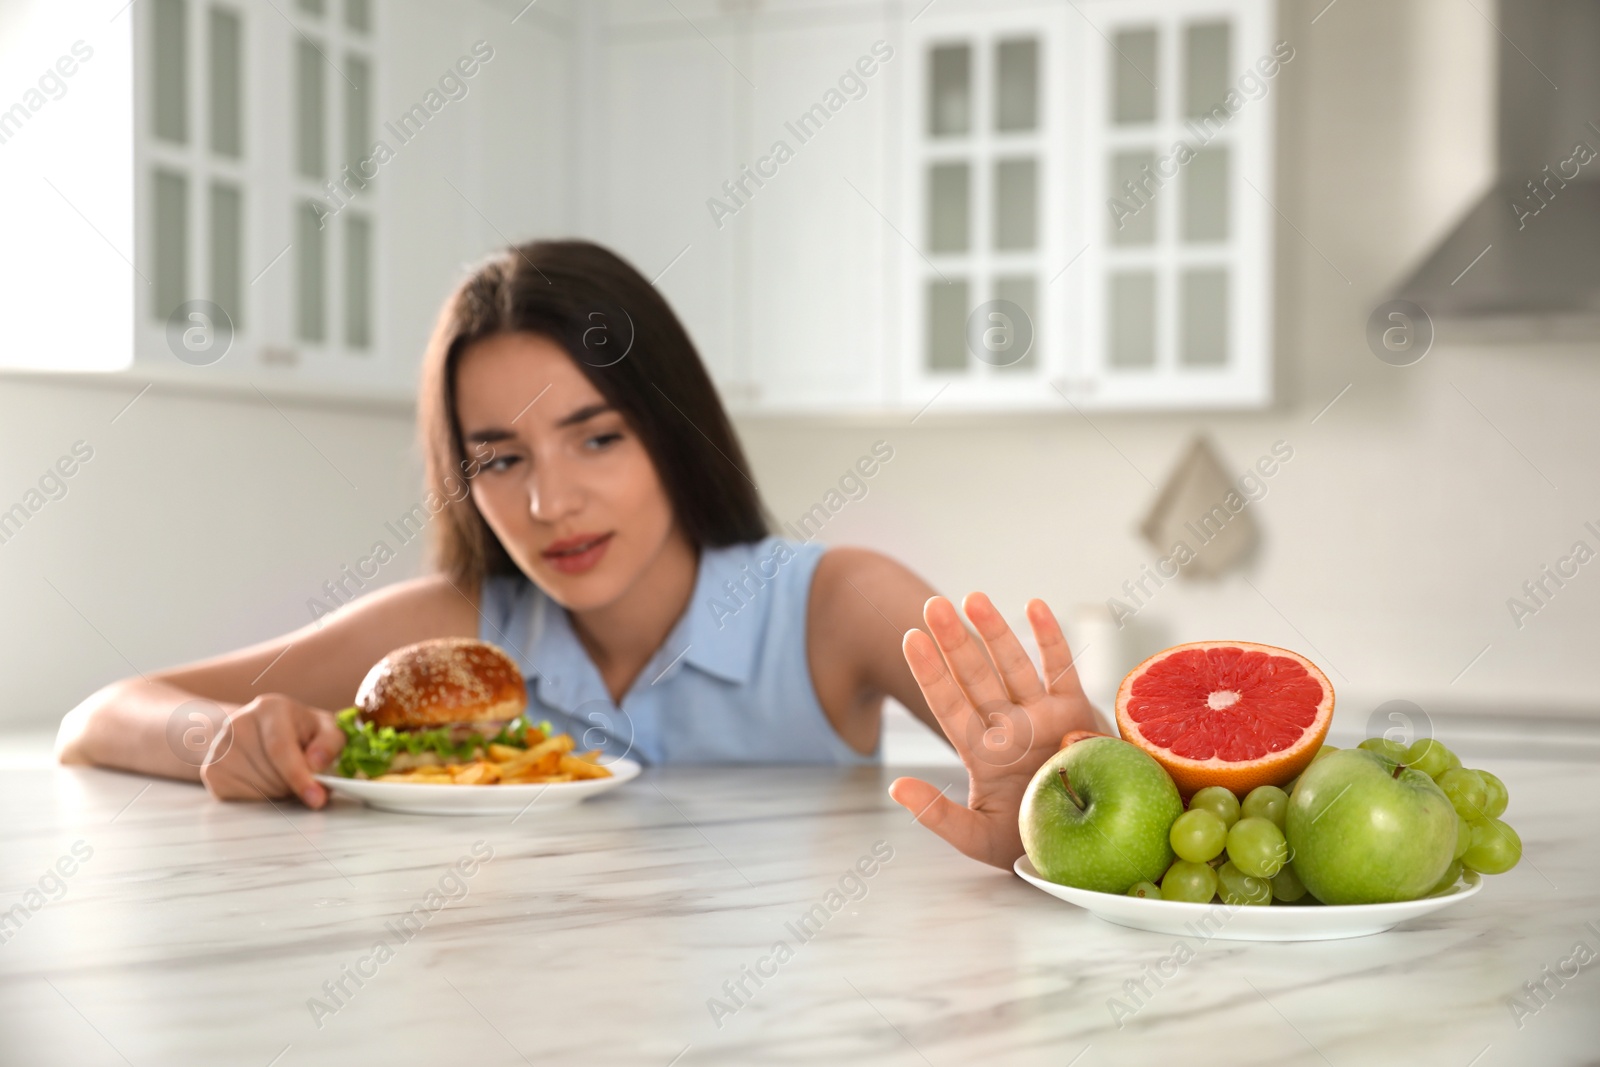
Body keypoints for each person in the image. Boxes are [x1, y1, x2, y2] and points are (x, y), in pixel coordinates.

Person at [54, 240, 1108, 869]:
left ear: (671, 425)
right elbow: (100, 716)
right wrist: (220, 736)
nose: (551, 500)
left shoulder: (838, 605)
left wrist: (1050, 787)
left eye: (597, 435)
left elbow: (1076, 787)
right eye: (499, 456)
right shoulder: (458, 628)